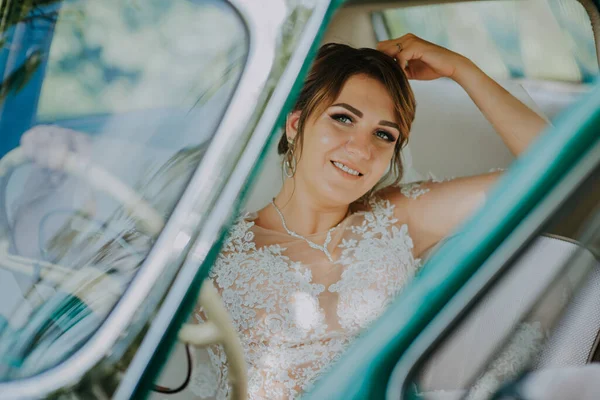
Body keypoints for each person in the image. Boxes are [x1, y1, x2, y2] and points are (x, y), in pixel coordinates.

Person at [13, 34, 548, 399]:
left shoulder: (403, 216)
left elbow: (562, 165)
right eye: (343, 118)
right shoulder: (214, 248)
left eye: (383, 134)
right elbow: (83, 284)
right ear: (295, 124)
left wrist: (462, 69)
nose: (360, 149)